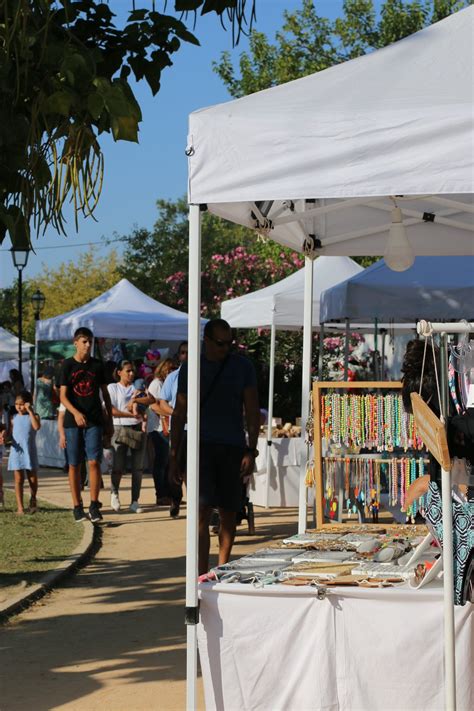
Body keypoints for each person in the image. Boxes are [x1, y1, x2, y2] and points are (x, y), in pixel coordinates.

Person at [170, 320, 260, 575]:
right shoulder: (191, 367)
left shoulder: (243, 366)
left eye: (229, 343)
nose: (225, 349)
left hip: (232, 446)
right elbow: (179, 412)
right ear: (206, 340)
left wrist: (250, 450)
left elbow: (252, 411)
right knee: (200, 510)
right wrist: (174, 455)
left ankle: (221, 567)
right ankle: (200, 574)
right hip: (200, 446)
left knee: (229, 511)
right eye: (220, 344)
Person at [59, 327, 113, 523]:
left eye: (90, 341)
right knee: (74, 464)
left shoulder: (98, 365)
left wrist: (110, 421)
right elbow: (63, 396)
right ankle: (77, 505)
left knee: (93, 461)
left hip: (95, 420)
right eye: (84, 342)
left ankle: (94, 504)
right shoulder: (67, 365)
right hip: (73, 421)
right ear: (75, 343)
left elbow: (105, 395)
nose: (88, 345)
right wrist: (75, 413)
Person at [107, 360, 146, 513]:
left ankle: (135, 500)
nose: (131, 374)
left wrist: (138, 400)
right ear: (119, 372)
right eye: (128, 371)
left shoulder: (137, 388)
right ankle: (114, 492)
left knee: (138, 467)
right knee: (118, 466)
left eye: (132, 371)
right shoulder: (113, 387)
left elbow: (150, 401)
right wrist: (130, 413)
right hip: (119, 427)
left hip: (137, 427)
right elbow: (111, 410)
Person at [157, 341, 188, 518]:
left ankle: (198, 504)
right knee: (175, 465)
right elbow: (162, 403)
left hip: (198, 429)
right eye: (183, 353)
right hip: (179, 428)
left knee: (195, 470)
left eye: (189, 352)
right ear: (179, 356)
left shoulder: (203, 375)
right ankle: (175, 499)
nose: (186, 356)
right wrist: (179, 414)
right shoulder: (173, 377)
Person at [146, 358, 176, 505]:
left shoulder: (165, 383)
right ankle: (161, 494)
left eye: (173, 369)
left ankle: (168, 493)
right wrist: (173, 414)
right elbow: (154, 406)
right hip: (158, 428)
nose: (171, 371)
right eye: (169, 368)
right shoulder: (156, 384)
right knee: (161, 461)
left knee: (167, 462)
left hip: (165, 426)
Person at [8, 390, 41, 515]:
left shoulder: (34, 416)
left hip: (29, 451)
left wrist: (31, 411)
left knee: (32, 478)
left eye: (22, 404)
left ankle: (33, 499)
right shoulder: (13, 418)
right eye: (17, 404)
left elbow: (37, 427)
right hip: (16, 452)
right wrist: (5, 437)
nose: (19, 407)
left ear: (28, 403)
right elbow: (11, 434)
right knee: (18, 479)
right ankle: (20, 507)